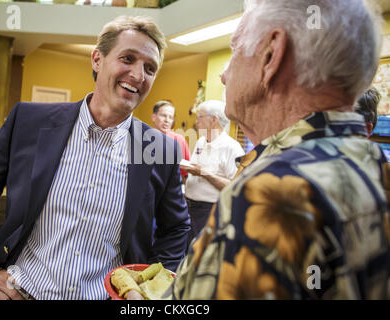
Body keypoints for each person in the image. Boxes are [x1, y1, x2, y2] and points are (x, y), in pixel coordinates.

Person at [0, 15, 190, 300]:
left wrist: (150, 289)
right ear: (97, 60)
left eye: (150, 68)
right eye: (128, 59)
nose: (139, 75)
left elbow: (176, 227)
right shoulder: (29, 121)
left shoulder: (156, 147)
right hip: (22, 292)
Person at [171, 0, 390, 299]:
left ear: (271, 56)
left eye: (236, 49)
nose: (223, 76)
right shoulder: (376, 165)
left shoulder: (270, 192)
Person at [180, 100, 244, 246]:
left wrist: (203, 173)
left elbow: (235, 186)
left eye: (199, 117)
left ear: (214, 119)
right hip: (189, 208)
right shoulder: (201, 142)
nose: (196, 122)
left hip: (209, 211)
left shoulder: (232, 148)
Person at [151, 100, 190, 182]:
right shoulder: (143, 138)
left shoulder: (179, 140)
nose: (167, 120)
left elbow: (186, 173)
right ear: (154, 117)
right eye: (163, 115)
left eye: (171, 117)